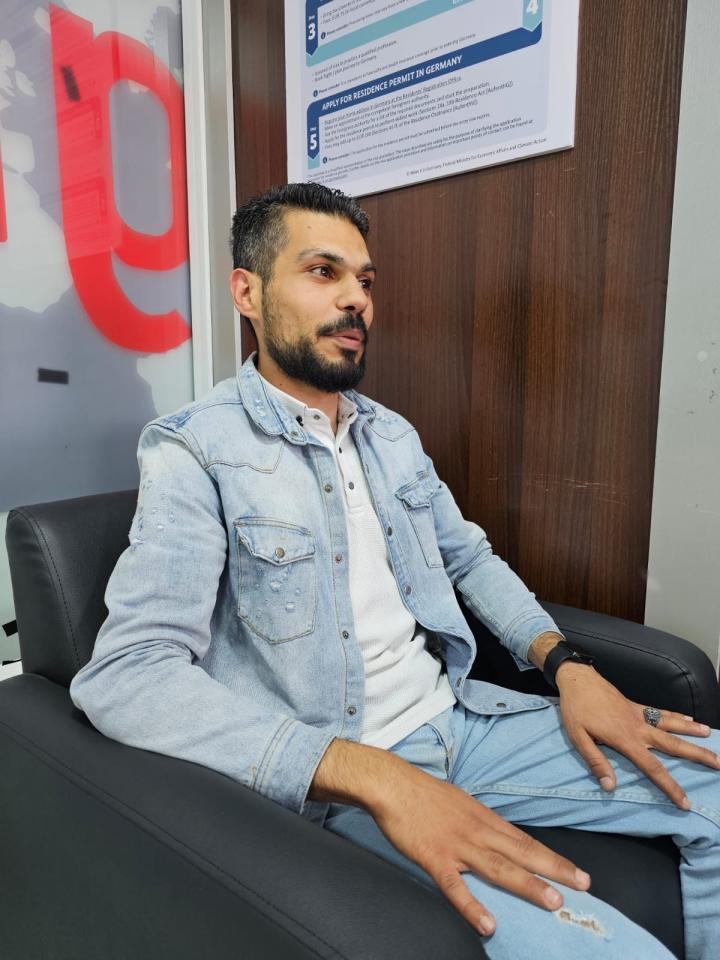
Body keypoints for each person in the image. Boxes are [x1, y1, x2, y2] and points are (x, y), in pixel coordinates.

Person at [70, 183, 720, 960]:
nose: (355, 300)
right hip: (343, 781)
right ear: (247, 291)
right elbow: (129, 675)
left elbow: (468, 558)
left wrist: (567, 665)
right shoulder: (193, 449)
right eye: (322, 272)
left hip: (467, 725)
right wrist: (373, 776)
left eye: (365, 280)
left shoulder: (391, 436)